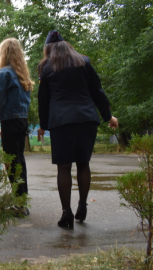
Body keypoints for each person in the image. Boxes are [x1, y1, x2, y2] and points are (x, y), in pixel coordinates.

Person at [36, 30, 118, 229]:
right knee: (83, 164)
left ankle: (67, 214)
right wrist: (108, 116)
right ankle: (82, 205)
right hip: (86, 119)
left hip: (61, 122)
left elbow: (43, 100)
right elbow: (97, 91)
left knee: (64, 167)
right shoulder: (84, 61)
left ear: (48, 48)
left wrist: (43, 126)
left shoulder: (46, 68)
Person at [0, 38, 33, 217]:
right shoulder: (22, 75)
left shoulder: (4, 73)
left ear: (3, 54)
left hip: (10, 122)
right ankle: (22, 201)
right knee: (20, 160)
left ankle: (19, 204)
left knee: (11, 162)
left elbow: (0, 99)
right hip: (22, 120)